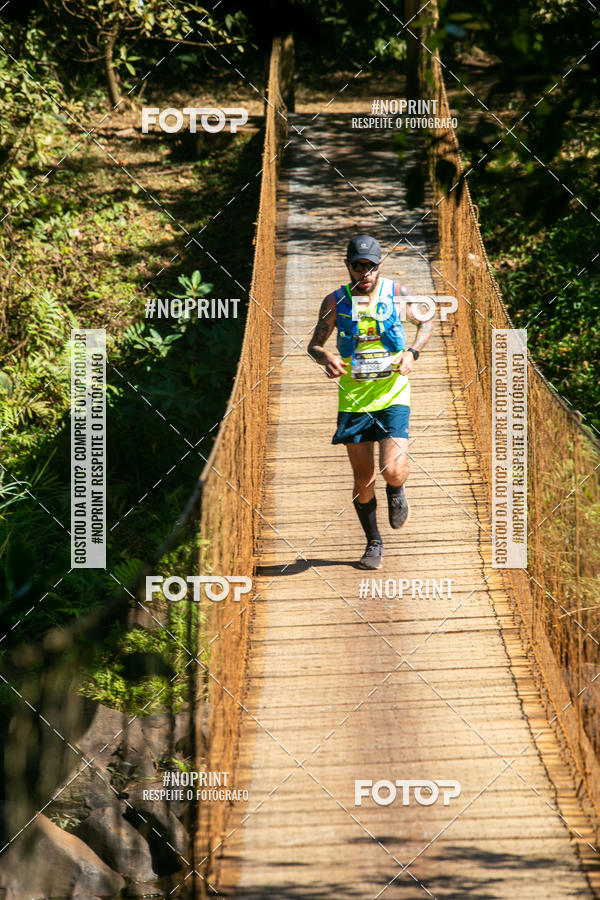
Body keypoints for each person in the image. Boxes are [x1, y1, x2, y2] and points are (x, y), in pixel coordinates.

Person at [308, 234, 433, 569]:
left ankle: (396, 489)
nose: (365, 273)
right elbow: (314, 344)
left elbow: (426, 321)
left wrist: (412, 352)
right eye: (358, 266)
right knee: (364, 481)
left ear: (381, 265)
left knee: (393, 471)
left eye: (371, 266)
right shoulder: (335, 301)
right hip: (355, 400)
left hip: (393, 394)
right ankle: (373, 542)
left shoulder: (397, 293)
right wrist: (326, 357)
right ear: (347, 266)